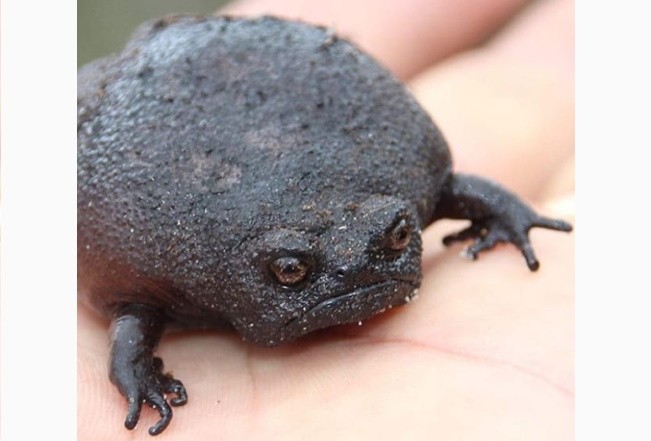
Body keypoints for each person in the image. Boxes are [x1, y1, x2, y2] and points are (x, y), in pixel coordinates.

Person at [77, 0, 574, 438]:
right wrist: (139, 381)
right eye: (293, 270)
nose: (354, 269)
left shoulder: (403, 172)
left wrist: (513, 218)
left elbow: (454, 189)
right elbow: (131, 326)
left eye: (396, 239)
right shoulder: (156, 261)